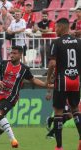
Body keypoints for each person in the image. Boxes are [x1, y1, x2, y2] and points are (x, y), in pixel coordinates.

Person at [0, 45, 50, 143]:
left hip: (11, 96)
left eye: (14, 53)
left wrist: (45, 84)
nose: (11, 55)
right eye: (11, 53)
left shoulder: (24, 69)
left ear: (20, 55)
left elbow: (33, 80)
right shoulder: (3, 64)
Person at [46, 18, 81, 150]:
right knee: (76, 110)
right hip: (75, 80)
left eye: (56, 27)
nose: (55, 30)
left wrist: (48, 79)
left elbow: (52, 63)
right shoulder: (79, 42)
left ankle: (59, 146)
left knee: (58, 113)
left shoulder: (56, 42)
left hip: (62, 81)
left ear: (61, 27)